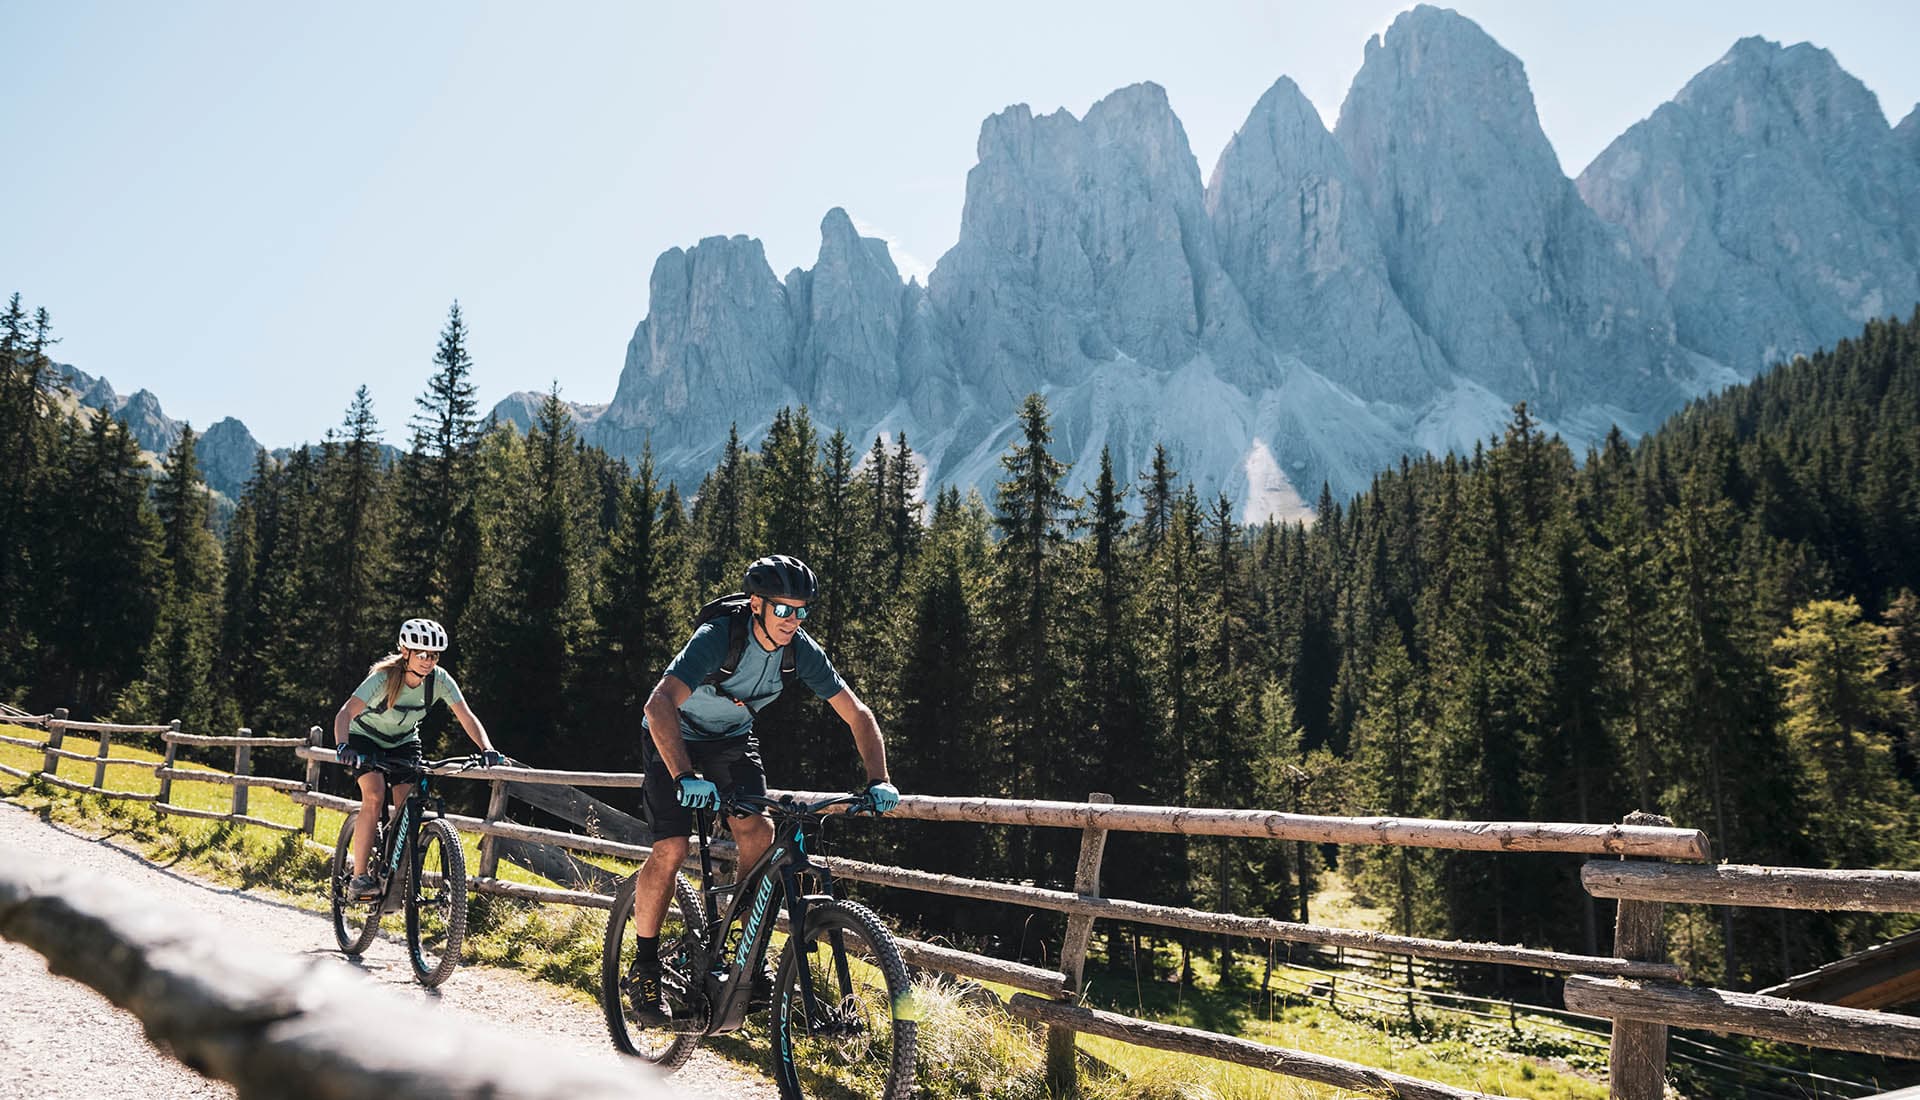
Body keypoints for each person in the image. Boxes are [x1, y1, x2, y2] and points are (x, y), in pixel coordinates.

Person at [628, 554, 899, 1025]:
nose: (793, 621)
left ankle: (740, 950)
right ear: (757, 604)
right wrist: (684, 775)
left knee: (760, 834)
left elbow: (858, 714)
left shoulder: (801, 651)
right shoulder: (719, 638)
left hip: (732, 742)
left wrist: (879, 779)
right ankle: (645, 965)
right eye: (783, 610)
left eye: (801, 611)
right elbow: (659, 704)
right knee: (671, 848)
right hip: (674, 736)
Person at [332, 617, 504, 900]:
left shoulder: (440, 681)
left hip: (403, 743)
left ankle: (395, 870)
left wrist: (487, 748)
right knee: (374, 796)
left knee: (408, 808)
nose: (427, 661)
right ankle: (360, 877)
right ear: (405, 652)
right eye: (421, 654)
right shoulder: (383, 678)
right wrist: (343, 746)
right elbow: (344, 713)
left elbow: (466, 716)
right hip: (365, 740)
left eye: (433, 655)